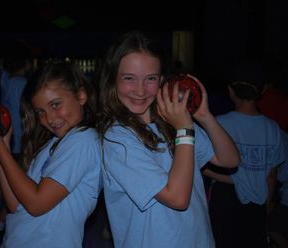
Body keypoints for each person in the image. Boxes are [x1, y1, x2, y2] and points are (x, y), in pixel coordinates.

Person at [96, 31, 240, 247]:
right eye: (129, 78)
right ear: (112, 80)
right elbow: (178, 199)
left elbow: (229, 160)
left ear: (162, 80)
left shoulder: (172, 120)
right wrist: (184, 128)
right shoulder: (118, 139)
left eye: (151, 79)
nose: (140, 90)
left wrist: (205, 116)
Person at [0, 61, 101, 247]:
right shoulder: (51, 145)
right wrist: (3, 146)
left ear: (81, 95)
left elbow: (36, 205)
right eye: (40, 112)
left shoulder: (83, 140)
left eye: (55, 105)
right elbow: (16, 206)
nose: (50, 119)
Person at [203, 61, 286, 248]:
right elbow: (271, 175)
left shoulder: (218, 123)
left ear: (231, 91)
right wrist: (267, 204)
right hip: (258, 202)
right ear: (263, 90)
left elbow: (205, 164)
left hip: (225, 200)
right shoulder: (272, 128)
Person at [0, 56, 31, 247]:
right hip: (17, 141)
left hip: (5, 137)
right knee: (16, 188)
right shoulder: (22, 83)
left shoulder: (5, 79)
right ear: (25, 64)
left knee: (0, 187)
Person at [267, 130, 288, 248]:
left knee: (272, 227)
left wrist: (268, 203)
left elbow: (272, 174)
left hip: (283, 188)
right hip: (281, 187)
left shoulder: (273, 135)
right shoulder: (279, 134)